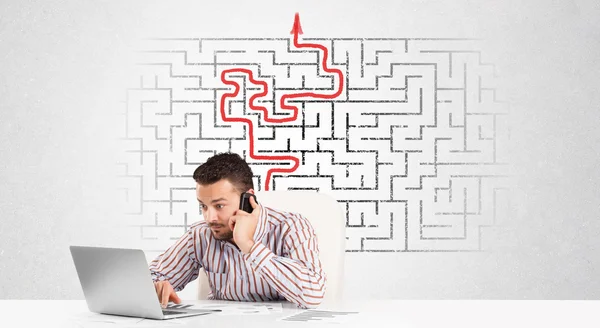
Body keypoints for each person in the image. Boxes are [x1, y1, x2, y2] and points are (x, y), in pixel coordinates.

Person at [149, 152, 326, 309]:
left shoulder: (291, 227)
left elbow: (313, 294)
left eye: (219, 205)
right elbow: (152, 276)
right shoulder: (200, 235)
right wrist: (156, 285)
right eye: (203, 206)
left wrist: (249, 246)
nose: (210, 218)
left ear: (248, 199)